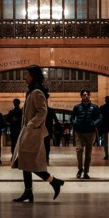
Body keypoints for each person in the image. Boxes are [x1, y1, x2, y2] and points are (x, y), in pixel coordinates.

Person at [12, 65, 64, 203]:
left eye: (27, 75)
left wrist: (31, 125)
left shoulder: (36, 92)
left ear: (33, 76)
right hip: (28, 132)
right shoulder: (31, 91)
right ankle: (29, 191)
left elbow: (43, 111)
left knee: (27, 162)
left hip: (32, 133)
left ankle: (54, 181)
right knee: (24, 161)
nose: (25, 77)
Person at [70, 89, 103, 179]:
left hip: (90, 132)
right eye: (84, 95)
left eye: (87, 95)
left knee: (88, 153)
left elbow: (100, 117)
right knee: (79, 150)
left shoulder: (94, 107)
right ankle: (80, 168)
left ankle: (86, 172)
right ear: (81, 96)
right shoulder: (77, 107)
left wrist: (94, 124)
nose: (86, 96)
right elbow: (72, 118)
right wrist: (75, 123)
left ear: (89, 96)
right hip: (79, 132)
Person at [44, 93, 56, 163]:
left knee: (45, 145)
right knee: (46, 145)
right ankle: (46, 157)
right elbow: (56, 120)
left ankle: (46, 157)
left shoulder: (50, 111)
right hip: (48, 130)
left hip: (46, 130)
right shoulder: (51, 111)